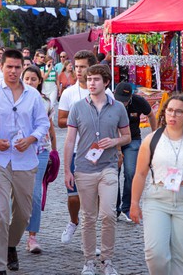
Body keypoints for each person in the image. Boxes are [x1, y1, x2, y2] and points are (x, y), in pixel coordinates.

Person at [0, 49, 50, 275]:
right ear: (2, 67)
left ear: (22, 68)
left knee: (24, 214)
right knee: (0, 214)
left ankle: (10, 245)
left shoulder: (33, 95)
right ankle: (0, 268)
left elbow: (43, 124)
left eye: (18, 67)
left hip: (25, 161)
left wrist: (31, 138)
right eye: (10, 67)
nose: (14, 71)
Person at [130, 95, 183, 275]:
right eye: (170, 110)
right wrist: (134, 203)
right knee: (155, 253)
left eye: (179, 111)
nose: (173, 114)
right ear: (164, 113)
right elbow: (141, 173)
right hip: (157, 199)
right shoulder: (151, 139)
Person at [64, 64, 131, 275]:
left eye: (96, 79)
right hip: (84, 168)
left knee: (109, 214)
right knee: (88, 217)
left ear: (106, 82)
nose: (91, 83)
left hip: (108, 167)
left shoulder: (118, 107)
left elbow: (127, 136)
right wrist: (67, 169)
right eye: (89, 79)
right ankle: (89, 261)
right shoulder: (77, 107)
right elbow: (69, 141)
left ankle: (107, 261)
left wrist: (113, 142)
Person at [57, 50, 111, 246]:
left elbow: (114, 123)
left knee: (95, 197)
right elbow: (60, 120)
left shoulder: (107, 93)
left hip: (99, 152)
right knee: (74, 198)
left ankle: (90, 236)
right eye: (76, 66)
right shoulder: (70, 93)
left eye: (83, 67)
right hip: (76, 151)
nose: (78, 70)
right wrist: (78, 117)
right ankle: (73, 221)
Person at [21, 65, 57, 254]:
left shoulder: (46, 101)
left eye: (33, 79)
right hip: (18, 151)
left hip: (41, 151)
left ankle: (32, 236)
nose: (29, 82)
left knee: (35, 194)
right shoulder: (13, 98)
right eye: (26, 78)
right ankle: (14, 229)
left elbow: (50, 127)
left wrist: (55, 151)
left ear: (39, 81)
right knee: (16, 195)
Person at [113, 82, 157, 222]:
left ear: (130, 97)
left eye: (125, 101)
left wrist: (154, 135)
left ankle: (126, 207)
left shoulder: (139, 102)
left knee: (131, 172)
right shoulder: (111, 104)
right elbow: (112, 127)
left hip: (133, 140)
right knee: (114, 174)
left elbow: (151, 115)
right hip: (115, 141)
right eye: (120, 100)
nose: (123, 104)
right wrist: (118, 150)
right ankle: (115, 208)